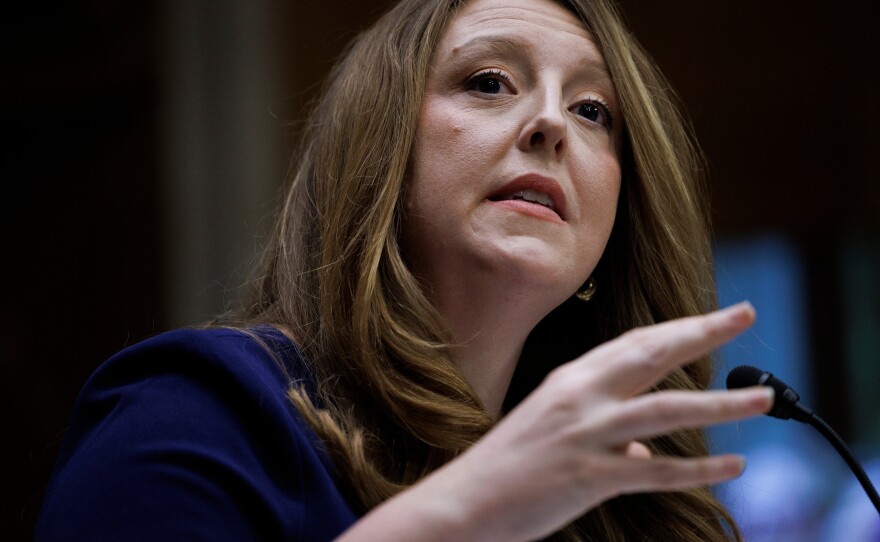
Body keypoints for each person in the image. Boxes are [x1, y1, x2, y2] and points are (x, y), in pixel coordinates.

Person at [35, 0, 774, 540]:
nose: (550, 123)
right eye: (489, 82)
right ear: (378, 151)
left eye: (592, 110)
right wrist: (469, 511)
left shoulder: (615, 505)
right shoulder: (200, 412)